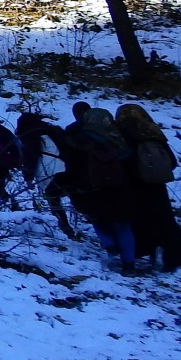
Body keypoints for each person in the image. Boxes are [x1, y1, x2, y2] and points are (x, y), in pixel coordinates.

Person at [117, 104, 181, 272]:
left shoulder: (121, 133)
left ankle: (144, 251)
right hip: (157, 185)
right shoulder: (153, 131)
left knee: (138, 219)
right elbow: (171, 161)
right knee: (165, 220)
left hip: (134, 184)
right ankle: (175, 256)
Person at [67, 101, 140, 273]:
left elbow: (72, 164)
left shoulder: (80, 138)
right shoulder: (119, 137)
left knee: (97, 219)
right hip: (120, 186)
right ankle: (129, 262)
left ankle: (110, 245)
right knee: (123, 224)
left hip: (93, 186)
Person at [15, 112, 89, 239]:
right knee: (76, 197)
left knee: (54, 200)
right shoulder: (54, 131)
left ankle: (65, 228)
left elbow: (30, 158)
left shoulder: (31, 137)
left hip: (49, 172)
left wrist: (28, 177)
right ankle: (94, 219)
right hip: (66, 168)